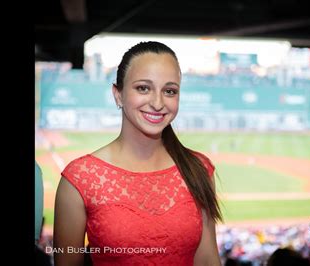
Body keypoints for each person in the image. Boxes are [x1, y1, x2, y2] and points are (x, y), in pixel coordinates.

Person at [54, 41, 222, 266]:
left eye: (169, 91)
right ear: (118, 94)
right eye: (143, 88)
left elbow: (208, 259)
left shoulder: (198, 169)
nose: (157, 103)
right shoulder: (79, 179)